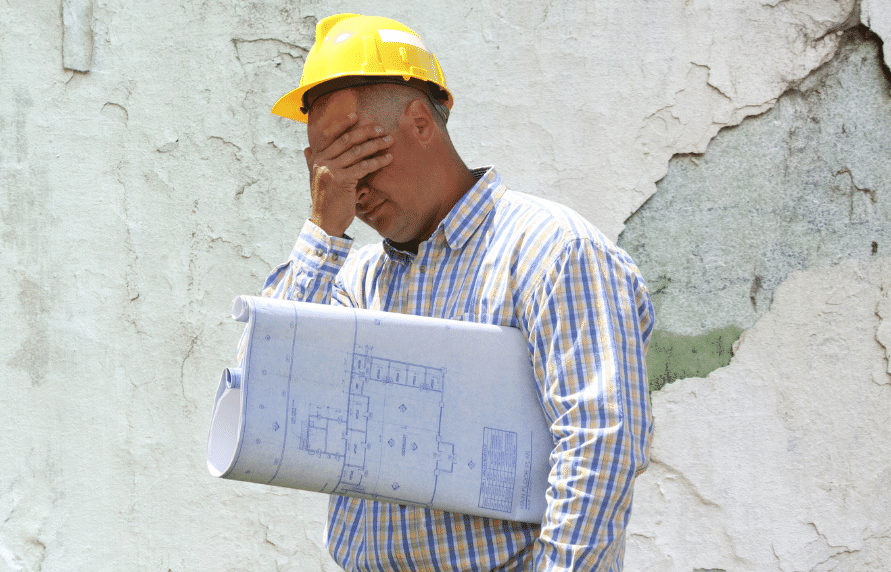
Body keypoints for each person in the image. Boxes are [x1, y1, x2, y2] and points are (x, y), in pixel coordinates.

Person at [254, 14, 655, 571]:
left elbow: (601, 440)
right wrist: (324, 229)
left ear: (421, 122)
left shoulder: (549, 250)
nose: (348, 185)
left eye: (354, 155)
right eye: (324, 167)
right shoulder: (356, 282)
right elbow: (277, 405)